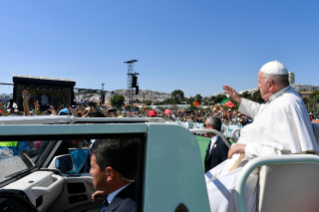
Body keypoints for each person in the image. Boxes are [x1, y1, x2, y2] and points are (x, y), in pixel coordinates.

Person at [205, 60, 319, 212]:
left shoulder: (286, 104)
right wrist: (238, 100)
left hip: (258, 175)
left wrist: (244, 148)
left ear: (270, 84)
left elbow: (286, 154)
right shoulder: (283, 98)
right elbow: (263, 111)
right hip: (252, 166)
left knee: (208, 196)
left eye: (259, 82)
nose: (258, 86)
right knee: (205, 182)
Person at [90, 139, 139, 212]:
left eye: (93, 167)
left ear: (109, 173)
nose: (90, 171)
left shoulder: (128, 209)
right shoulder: (137, 192)